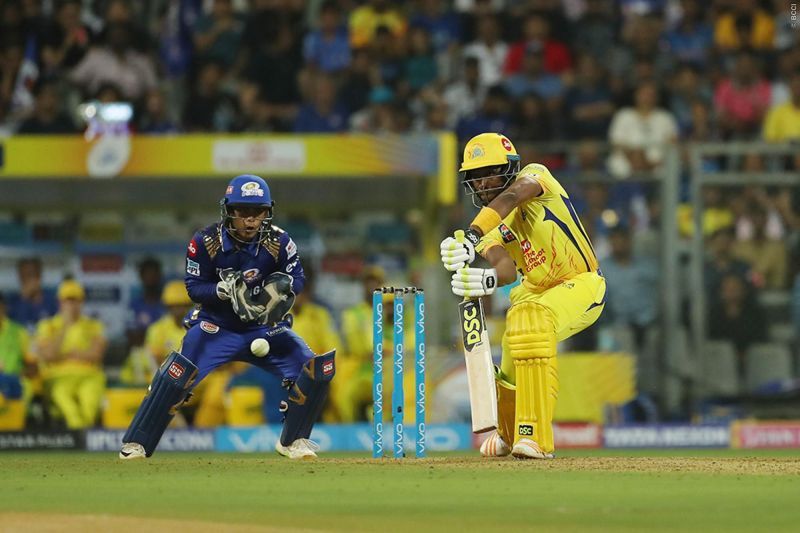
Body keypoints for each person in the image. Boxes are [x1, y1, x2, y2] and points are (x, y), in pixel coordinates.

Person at [120, 175, 335, 460]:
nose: (250, 220)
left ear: (267, 212)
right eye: (243, 212)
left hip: (263, 328)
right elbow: (193, 287)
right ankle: (138, 443)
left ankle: (293, 441)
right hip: (216, 327)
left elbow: (297, 278)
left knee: (315, 369)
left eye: (257, 212)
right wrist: (222, 290)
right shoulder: (205, 241)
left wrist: (278, 294)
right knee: (177, 373)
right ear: (229, 211)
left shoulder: (280, 241)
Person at [440, 133, 605, 459]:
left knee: (532, 318)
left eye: (489, 172)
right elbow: (506, 270)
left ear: (509, 168)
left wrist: (470, 238)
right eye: (474, 177)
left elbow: (513, 196)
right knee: (518, 321)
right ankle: (509, 432)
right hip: (536, 291)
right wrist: (483, 278)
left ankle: (536, 437)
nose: (483, 183)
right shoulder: (489, 228)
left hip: (582, 283)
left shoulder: (536, 177)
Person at [35, 280, 107, 429]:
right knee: (65, 400)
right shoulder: (48, 325)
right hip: (57, 377)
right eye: (68, 300)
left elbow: (96, 354)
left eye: (75, 300)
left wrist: (68, 355)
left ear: (81, 302)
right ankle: (79, 437)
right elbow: (49, 355)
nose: (71, 305)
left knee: (89, 406)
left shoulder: (93, 325)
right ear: (60, 302)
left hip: (89, 375)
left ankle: (81, 440)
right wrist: (64, 328)